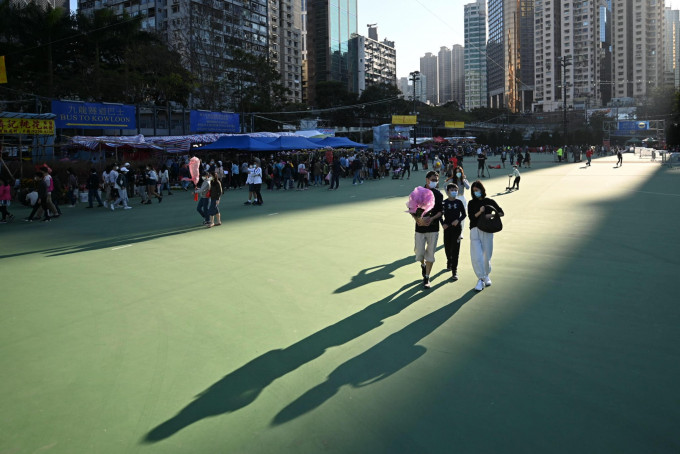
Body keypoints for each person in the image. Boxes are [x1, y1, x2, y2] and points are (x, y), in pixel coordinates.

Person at [467, 180, 504, 291]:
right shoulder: (471, 203)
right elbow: (471, 217)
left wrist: (489, 215)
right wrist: (480, 212)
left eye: (477, 190)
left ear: (482, 190)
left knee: (486, 255)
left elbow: (501, 212)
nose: (475, 192)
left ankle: (486, 275)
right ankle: (481, 279)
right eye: (473, 191)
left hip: (487, 230)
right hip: (475, 229)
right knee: (476, 256)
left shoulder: (489, 201)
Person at [412, 171, 443, 289]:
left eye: (436, 180)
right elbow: (412, 209)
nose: (434, 182)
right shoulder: (418, 192)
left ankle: (427, 277)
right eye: (432, 179)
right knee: (419, 253)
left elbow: (440, 211)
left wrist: (432, 218)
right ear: (427, 180)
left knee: (430, 254)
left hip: (433, 228)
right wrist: (417, 219)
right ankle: (423, 265)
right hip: (420, 228)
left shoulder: (438, 194)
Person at [441, 183, 466, 281]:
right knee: (447, 247)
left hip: (456, 228)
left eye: (455, 190)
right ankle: (449, 261)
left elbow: (464, 214)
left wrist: (458, 220)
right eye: (452, 190)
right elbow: (440, 215)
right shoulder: (444, 203)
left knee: (456, 249)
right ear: (447, 192)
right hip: (447, 228)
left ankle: (454, 271)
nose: (454, 192)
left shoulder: (459, 202)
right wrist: (443, 223)